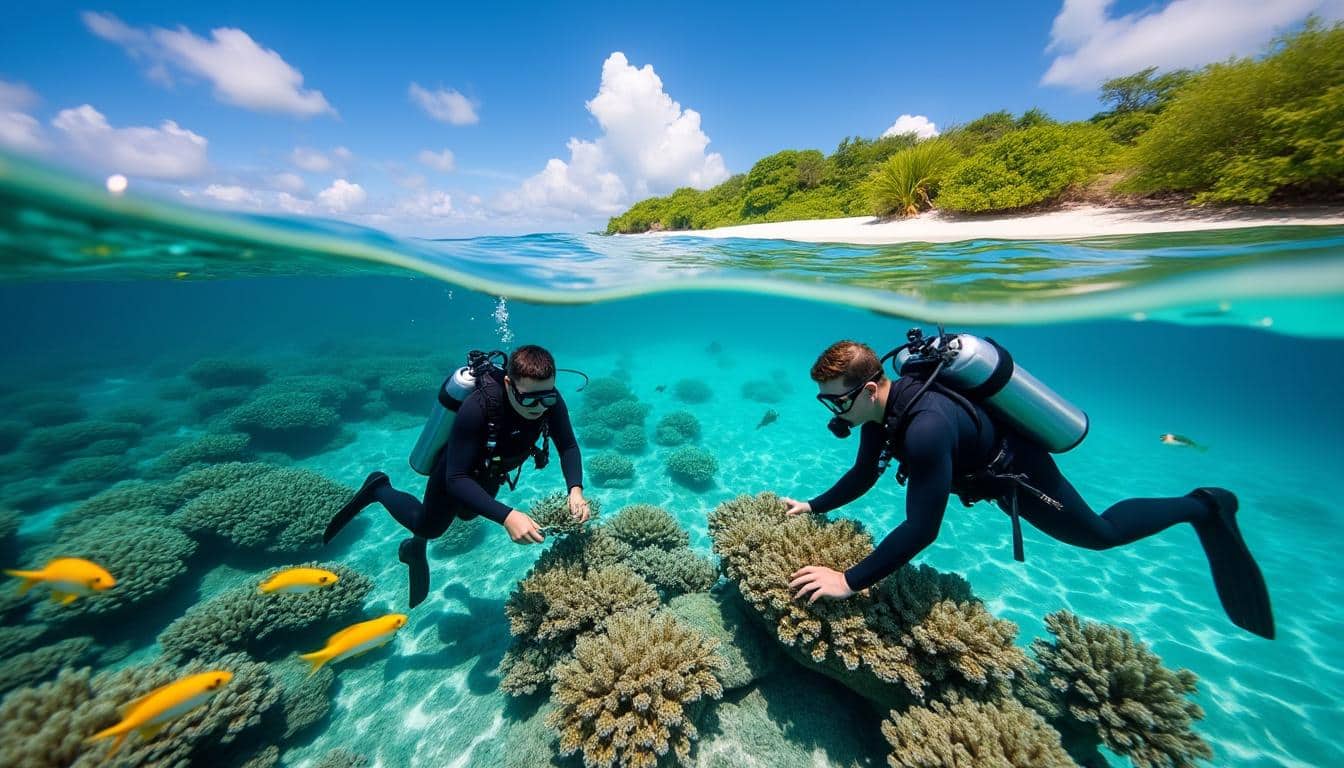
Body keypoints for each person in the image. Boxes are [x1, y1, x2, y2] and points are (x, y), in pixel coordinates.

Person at [782, 339, 1274, 639]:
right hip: (979, 468)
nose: (834, 412)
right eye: (828, 403)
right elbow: (864, 473)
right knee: (1097, 532)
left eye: (836, 401)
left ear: (869, 389)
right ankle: (1202, 505)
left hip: (1019, 471)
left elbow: (922, 527)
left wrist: (849, 581)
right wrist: (811, 505)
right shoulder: (878, 412)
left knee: (1099, 534)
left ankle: (1203, 505)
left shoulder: (922, 428)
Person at [323, 344, 591, 608]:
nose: (540, 407)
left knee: (467, 514)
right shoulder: (478, 407)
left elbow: (567, 445)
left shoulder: (548, 400)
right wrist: (508, 516)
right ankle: (379, 488)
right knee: (428, 527)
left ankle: (416, 543)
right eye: (529, 398)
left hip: (492, 468)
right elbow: (456, 479)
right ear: (509, 384)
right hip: (457, 469)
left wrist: (575, 489)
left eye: (548, 397)